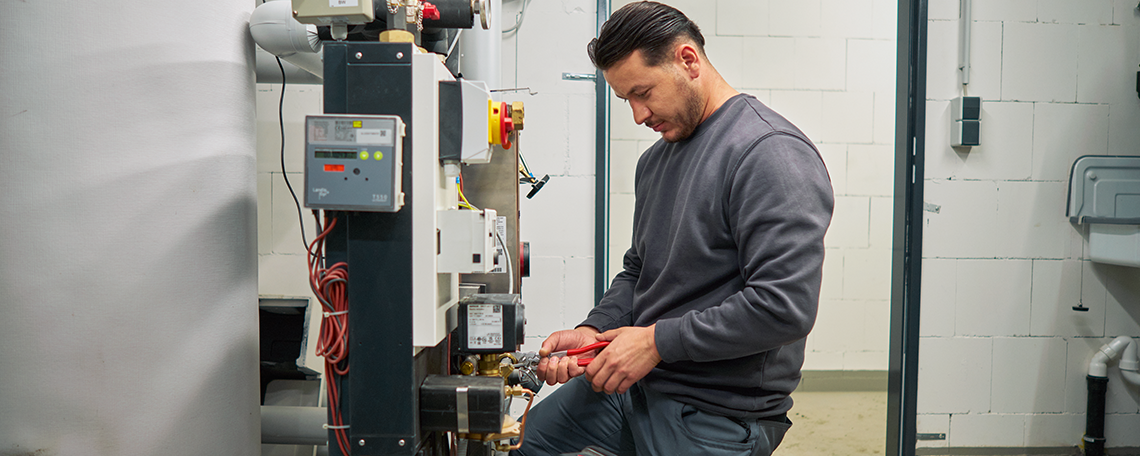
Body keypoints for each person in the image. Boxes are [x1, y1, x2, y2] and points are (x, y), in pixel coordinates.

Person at [513, 2, 833, 455]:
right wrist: (596, 329)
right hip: (634, 387)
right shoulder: (655, 161)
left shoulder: (769, 155)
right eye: (627, 100)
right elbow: (639, 270)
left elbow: (784, 307)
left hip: (715, 412)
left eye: (643, 92)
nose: (638, 115)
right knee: (521, 445)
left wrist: (656, 342)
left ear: (688, 60)